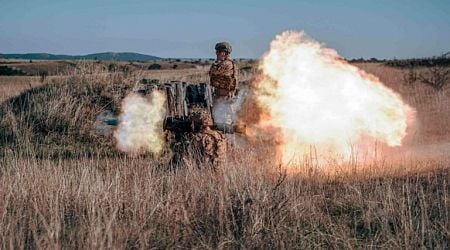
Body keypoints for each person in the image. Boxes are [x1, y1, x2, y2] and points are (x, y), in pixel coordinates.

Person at [209, 42, 239, 128]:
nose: (216, 54)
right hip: (223, 96)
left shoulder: (226, 64)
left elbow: (212, 72)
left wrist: (218, 61)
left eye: (218, 52)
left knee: (224, 122)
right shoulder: (225, 63)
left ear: (224, 53)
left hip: (225, 97)